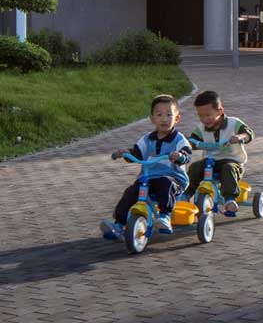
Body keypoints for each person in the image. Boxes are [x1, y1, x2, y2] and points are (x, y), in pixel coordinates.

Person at [102, 93, 189, 239]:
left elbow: (186, 153)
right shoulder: (147, 139)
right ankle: (119, 224)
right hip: (148, 178)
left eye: (169, 115)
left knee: (164, 183)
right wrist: (126, 153)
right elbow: (137, 153)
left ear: (177, 118)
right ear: (152, 118)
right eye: (159, 115)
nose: (164, 119)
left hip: (173, 179)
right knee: (131, 192)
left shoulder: (179, 139)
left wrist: (179, 156)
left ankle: (164, 216)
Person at [184, 88, 255, 215]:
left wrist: (239, 137)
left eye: (208, 115)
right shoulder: (201, 129)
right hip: (210, 161)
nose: (204, 119)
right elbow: (192, 141)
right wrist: (187, 144)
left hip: (232, 161)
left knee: (228, 168)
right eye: (200, 116)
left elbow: (248, 133)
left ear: (219, 111)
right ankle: (186, 195)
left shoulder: (233, 123)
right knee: (195, 167)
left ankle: (229, 199)